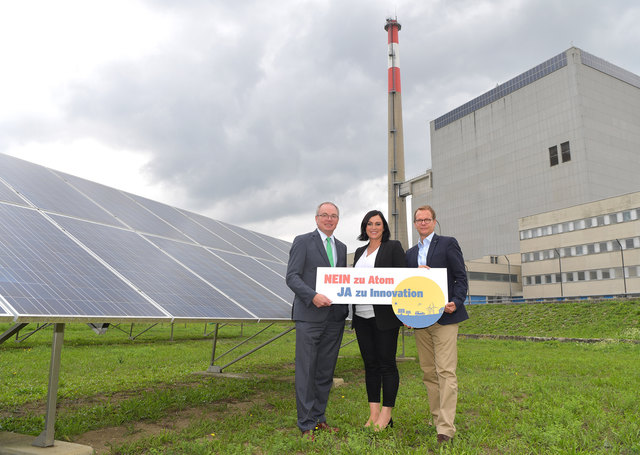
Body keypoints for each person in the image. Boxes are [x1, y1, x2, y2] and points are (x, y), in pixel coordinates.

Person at [405, 205, 469, 444]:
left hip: (445, 317)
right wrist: (408, 315)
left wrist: (456, 301)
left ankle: (445, 428)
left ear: (434, 221)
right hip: (420, 321)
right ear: (415, 223)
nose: (423, 223)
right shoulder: (410, 255)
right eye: (419, 220)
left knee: (445, 371)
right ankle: (436, 419)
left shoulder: (448, 243)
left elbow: (461, 277)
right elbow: (406, 288)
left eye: (427, 219)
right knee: (429, 373)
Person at [286, 202, 349, 438]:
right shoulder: (303, 241)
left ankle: (319, 418)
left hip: (334, 318)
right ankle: (305, 424)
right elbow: (292, 277)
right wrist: (313, 296)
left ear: (338, 220)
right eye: (325, 215)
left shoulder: (341, 247)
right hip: (310, 317)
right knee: (306, 370)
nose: (329, 219)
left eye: (333, 216)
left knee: (325, 371)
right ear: (316, 218)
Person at [352, 210, 405, 431]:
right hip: (361, 316)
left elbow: (403, 280)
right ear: (365, 227)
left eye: (378, 223)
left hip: (385, 317)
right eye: (369, 224)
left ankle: (386, 414)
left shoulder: (393, 247)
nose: (373, 227)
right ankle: (373, 413)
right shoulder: (359, 252)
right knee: (370, 365)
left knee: (387, 364)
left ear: (384, 227)